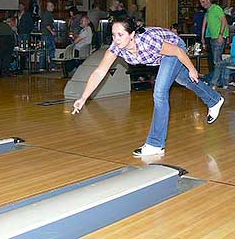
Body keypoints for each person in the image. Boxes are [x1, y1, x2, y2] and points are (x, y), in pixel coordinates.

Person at [72, 16, 224, 157]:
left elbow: (177, 51)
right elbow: (99, 72)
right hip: (162, 55)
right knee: (184, 80)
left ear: (132, 35)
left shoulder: (147, 42)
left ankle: (155, 144)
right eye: (113, 35)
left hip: (175, 48)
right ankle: (214, 100)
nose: (116, 39)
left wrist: (192, 68)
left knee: (159, 92)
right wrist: (83, 97)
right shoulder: (115, 48)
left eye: (120, 35)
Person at [200, 0, 230, 87]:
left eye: (204, 1)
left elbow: (224, 21)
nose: (202, 4)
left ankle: (214, 82)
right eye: (201, 2)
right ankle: (221, 81)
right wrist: (203, 37)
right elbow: (205, 25)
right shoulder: (208, 12)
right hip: (213, 37)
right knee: (217, 61)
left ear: (209, 0)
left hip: (218, 37)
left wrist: (221, 35)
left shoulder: (216, 8)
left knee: (216, 61)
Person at [40, 1, 56, 71]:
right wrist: (52, 31)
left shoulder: (48, 14)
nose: (53, 7)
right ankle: (50, 66)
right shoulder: (47, 14)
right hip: (47, 35)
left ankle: (42, 67)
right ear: (48, 7)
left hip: (46, 34)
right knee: (50, 50)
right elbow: (47, 25)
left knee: (45, 50)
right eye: (52, 6)